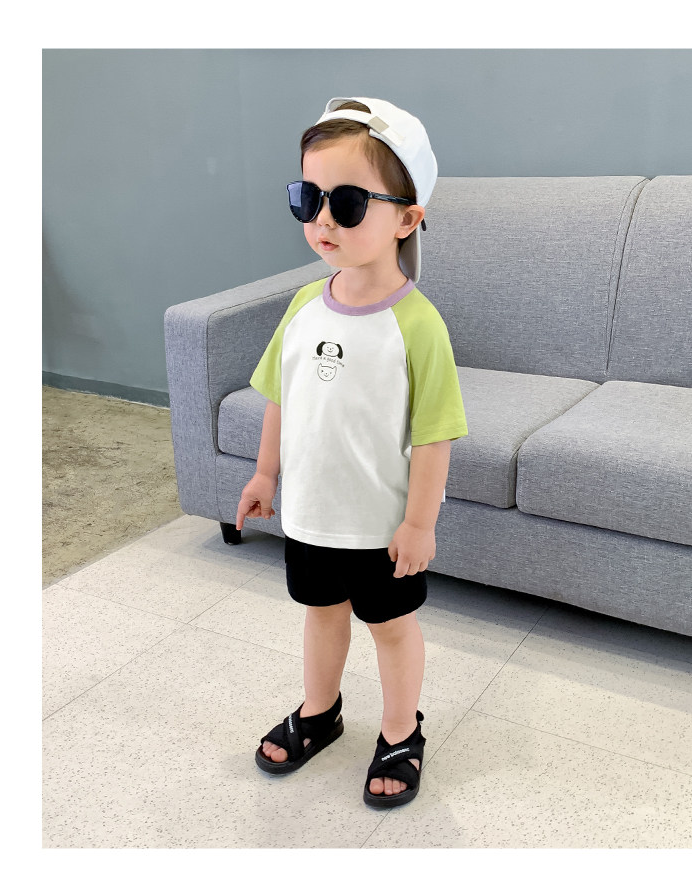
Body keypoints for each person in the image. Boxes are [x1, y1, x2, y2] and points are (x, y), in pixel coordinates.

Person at [236, 96, 468, 808]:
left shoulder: (419, 326)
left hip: (380, 528)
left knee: (391, 629)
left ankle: (400, 731)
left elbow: (434, 435)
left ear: (407, 218)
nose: (323, 221)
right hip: (312, 515)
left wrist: (420, 523)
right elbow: (282, 397)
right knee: (321, 614)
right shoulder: (304, 306)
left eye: (345, 201)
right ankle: (320, 711)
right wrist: (265, 472)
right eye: (309, 199)